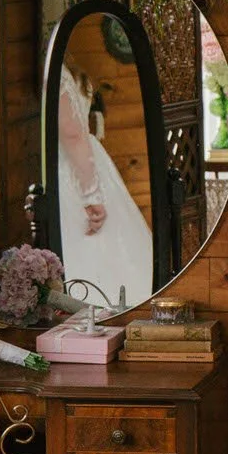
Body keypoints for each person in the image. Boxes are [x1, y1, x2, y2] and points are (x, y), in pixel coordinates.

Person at [55, 64, 153, 310]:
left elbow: (72, 133)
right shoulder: (68, 67)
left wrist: (91, 194)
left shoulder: (56, 71)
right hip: (88, 158)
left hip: (74, 164)